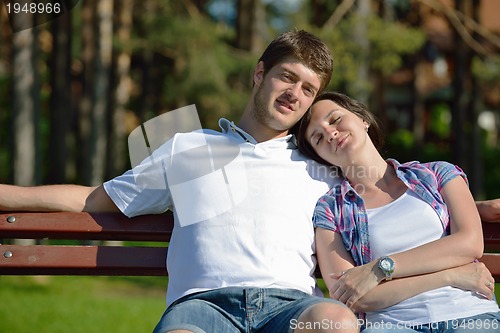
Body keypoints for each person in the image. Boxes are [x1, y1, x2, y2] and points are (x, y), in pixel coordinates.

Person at [0, 30, 499, 333]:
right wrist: (10, 196)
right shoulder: (187, 147)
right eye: (288, 77)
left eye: (309, 89)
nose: (296, 94)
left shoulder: (320, 166)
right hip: (203, 307)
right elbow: (93, 197)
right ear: (260, 74)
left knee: (336, 322)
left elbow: (400, 200)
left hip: (292, 308)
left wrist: (482, 213)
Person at [293, 91, 500, 332]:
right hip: (392, 325)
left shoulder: (436, 176)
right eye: (318, 138)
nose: (330, 133)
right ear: (320, 156)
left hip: (468, 314)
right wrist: (450, 276)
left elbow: (470, 243)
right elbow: (352, 296)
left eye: (335, 119)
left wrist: (379, 269)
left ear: (363, 119)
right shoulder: (331, 210)